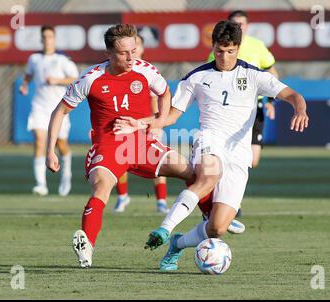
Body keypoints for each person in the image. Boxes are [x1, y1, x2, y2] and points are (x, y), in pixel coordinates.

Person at [144, 20, 309, 271]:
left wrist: (300, 109)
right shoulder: (197, 77)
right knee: (209, 175)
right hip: (208, 139)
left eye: (230, 51)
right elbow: (172, 115)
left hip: (239, 154)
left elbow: (292, 95)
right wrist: (147, 124)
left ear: (238, 48)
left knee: (216, 229)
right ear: (213, 47)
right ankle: (166, 228)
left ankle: (177, 244)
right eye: (220, 50)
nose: (224, 56)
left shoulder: (254, 75)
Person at [45, 24, 195, 268]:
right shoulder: (91, 78)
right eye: (124, 53)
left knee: (193, 172)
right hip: (107, 146)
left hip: (141, 143)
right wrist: (50, 151)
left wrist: (158, 123)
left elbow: (166, 94)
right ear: (108, 54)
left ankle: (215, 220)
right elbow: (60, 110)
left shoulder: (145, 70)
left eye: (133, 50)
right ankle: (87, 248)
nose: (131, 57)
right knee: (101, 189)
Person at [208, 10, 279, 168]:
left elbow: (271, 72)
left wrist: (271, 101)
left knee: (253, 161)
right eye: (235, 24)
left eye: (242, 24)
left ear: (247, 26)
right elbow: (211, 76)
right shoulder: (221, 49)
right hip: (230, 107)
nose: (239, 27)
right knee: (224, 152)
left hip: (254, 105)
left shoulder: (257, 45)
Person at [19, 25, 78, 196]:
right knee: (39, 140)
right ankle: (41, 184)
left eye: (50, 37)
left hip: (59, 109)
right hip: (39, 106)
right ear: (41, 39)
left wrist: (57, 80)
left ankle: (66, 175)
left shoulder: (62, 60)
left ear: (54, 39)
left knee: (61, 145)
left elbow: (75, 78)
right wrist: (24, 84)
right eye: (44, 37)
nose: (47, 40)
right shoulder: (34, 59)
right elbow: (29, 74)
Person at [113, 34, 170, 214]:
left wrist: (155, 124)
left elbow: (157, 101)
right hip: (125, 125)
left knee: (157, 162)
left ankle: (161, 201)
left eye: (135, 46)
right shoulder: (118, 71)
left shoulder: (148, 71)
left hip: (146, 124)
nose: (131, 51)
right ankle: (122, 196)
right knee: (120, 161)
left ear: (141, 49)